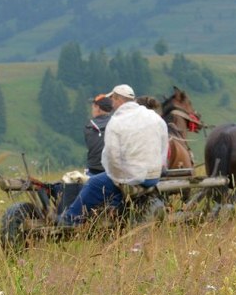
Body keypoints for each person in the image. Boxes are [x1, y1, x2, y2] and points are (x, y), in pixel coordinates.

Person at [57, 84, 168, 226]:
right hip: (153, 177)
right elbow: (164, 147)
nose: (112, 104)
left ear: (117, 99)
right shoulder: (154, 117)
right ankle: (114, 207)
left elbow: (111, 157)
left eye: (113, 100)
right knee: (110, 183)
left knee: (94, 183)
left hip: (134, 176)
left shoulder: (116, 122)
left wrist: (116, 177)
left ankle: (70, 218)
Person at [84, 93, 113, 175]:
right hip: (113, 171)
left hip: (93, 170)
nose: (92, 110)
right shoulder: (116, 123)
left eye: (93, 107)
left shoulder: (89, 126)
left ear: (98, 108)